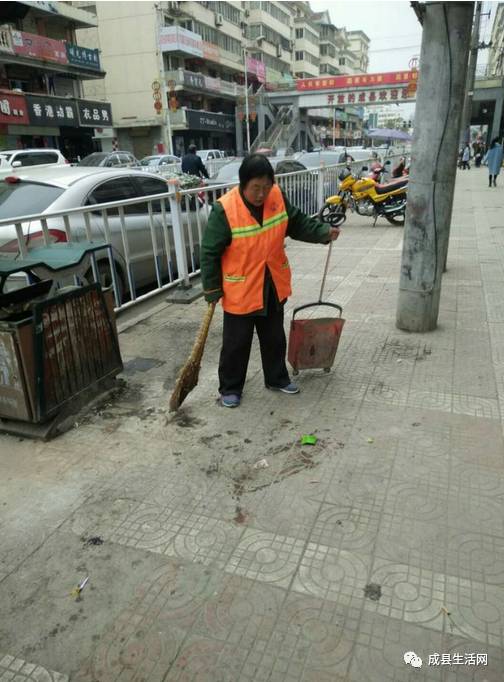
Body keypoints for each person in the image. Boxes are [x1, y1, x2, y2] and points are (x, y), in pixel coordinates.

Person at [200, 154, 340, 408]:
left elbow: (297, 222)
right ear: (243, 184)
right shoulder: (225, 209)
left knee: (274, 337)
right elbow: (209, 252)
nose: (261, 194)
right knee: (236, 344)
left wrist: (322, 233)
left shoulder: (277, 197)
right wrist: (211, 289)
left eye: (266, 187)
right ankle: (230, 388)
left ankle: (276, 378)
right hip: (240, 289)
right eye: (256, 188)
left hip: (272, 283)